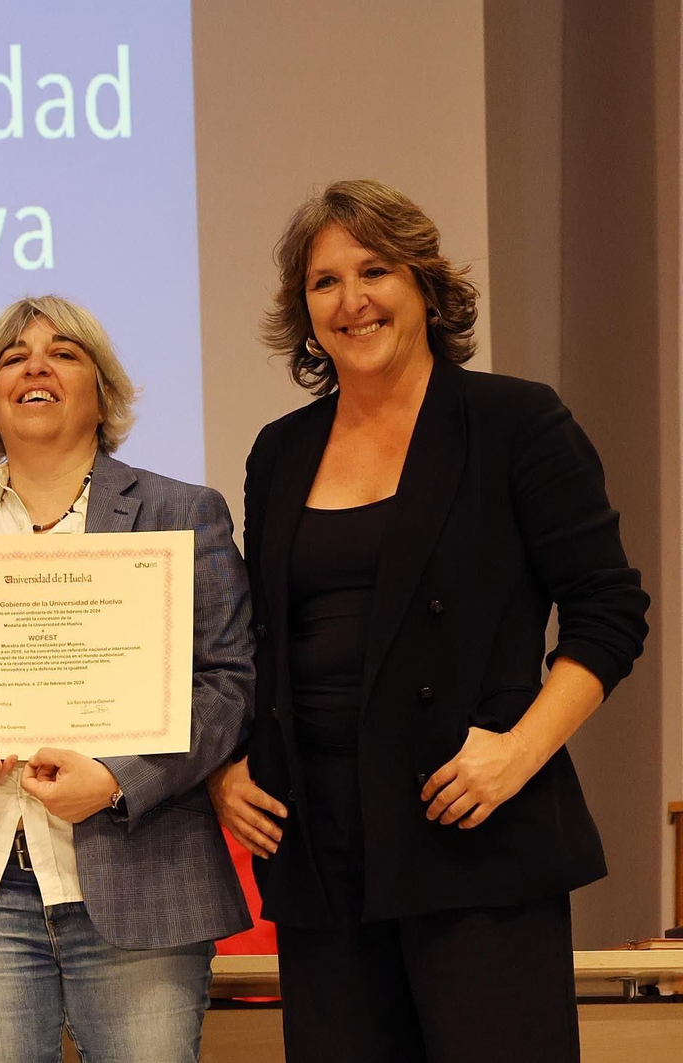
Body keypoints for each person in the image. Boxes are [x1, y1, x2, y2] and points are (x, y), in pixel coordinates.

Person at [205, 179, 650, 1063]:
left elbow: (610, 610)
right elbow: (263, 641)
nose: (351, 300)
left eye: (375, 270)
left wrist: (518, 751)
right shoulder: (280, 450)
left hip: (471, 832)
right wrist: (227, 767)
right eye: (324, 282)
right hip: (321, 848)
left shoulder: (515, 420)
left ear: (426, 285)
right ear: (304, 311)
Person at [0, 295, 255, 1063]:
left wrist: (116, 777)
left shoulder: (182, 512)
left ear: (104, 393)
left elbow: (227, 684)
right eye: (14, 356)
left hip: (144, 877)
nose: (36, 365)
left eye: (64, 352)